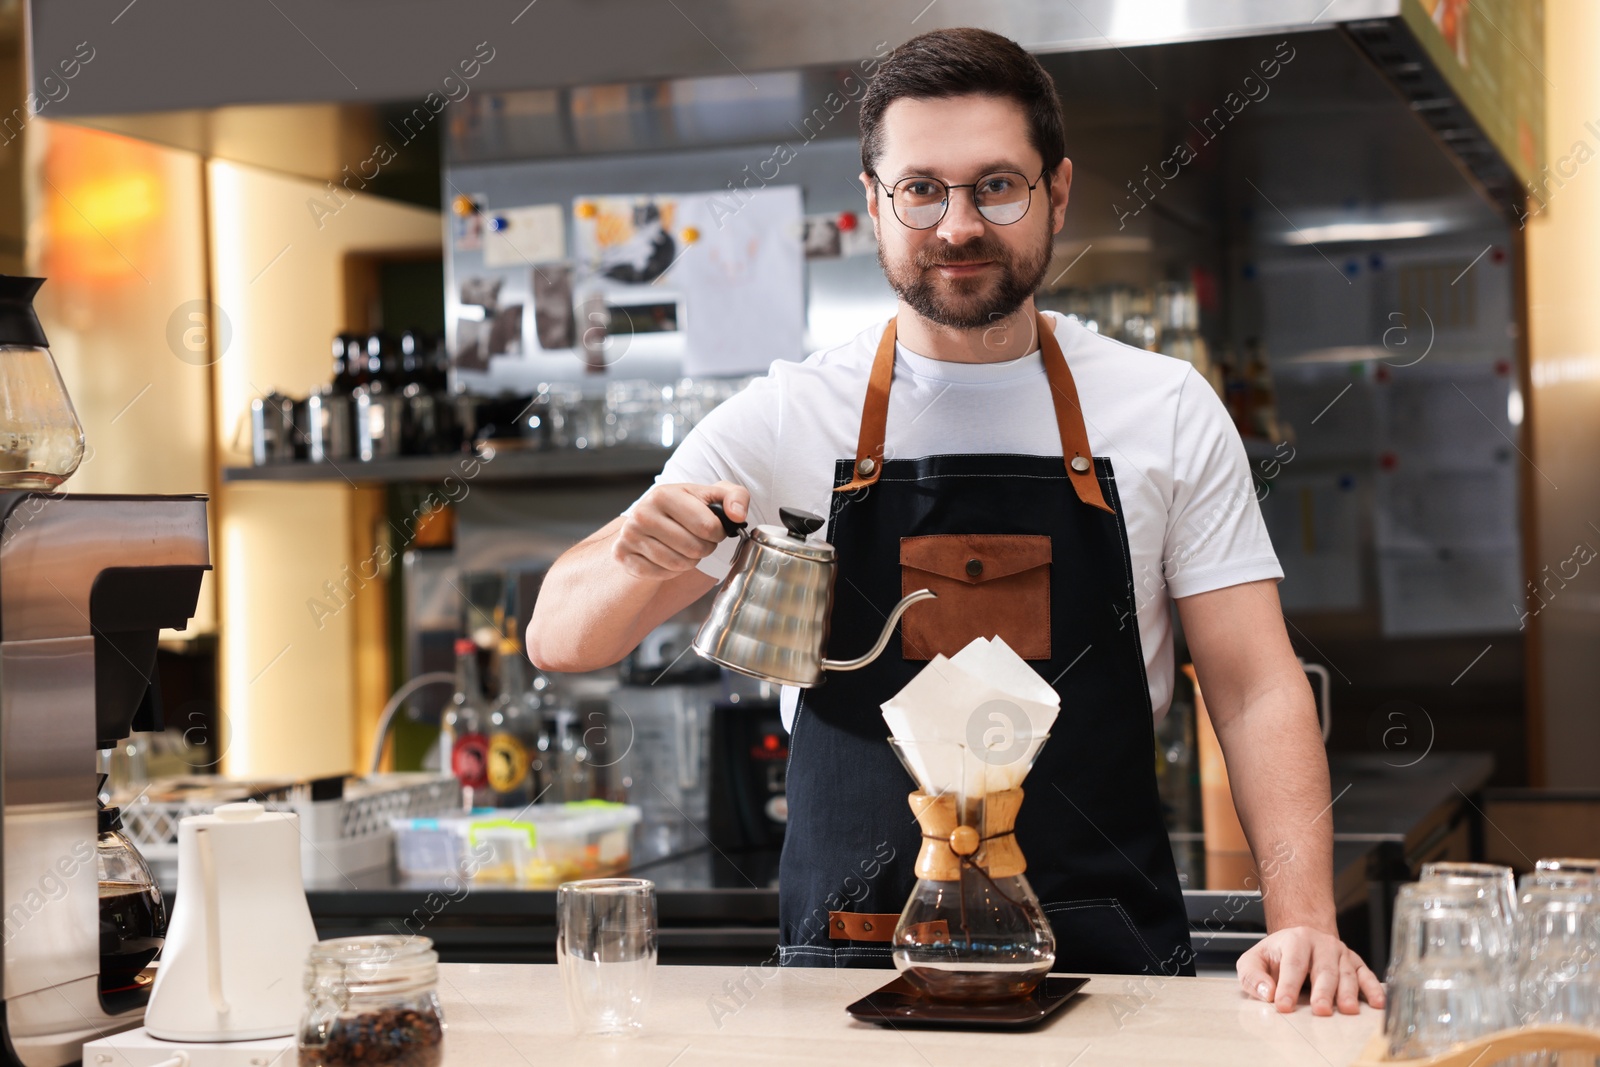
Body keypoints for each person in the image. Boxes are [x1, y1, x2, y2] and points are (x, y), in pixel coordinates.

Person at [528, 27, 1385, 1016]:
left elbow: (1251, 685)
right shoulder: (787, 417)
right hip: (852, 981)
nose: (958, 224)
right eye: (921, 190)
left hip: (1109, 971)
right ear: (873, 205)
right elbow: (559, 637)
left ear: (1057, 192)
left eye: (996, 186)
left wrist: (1305, 920)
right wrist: (645, 553)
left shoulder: (1163, 406)